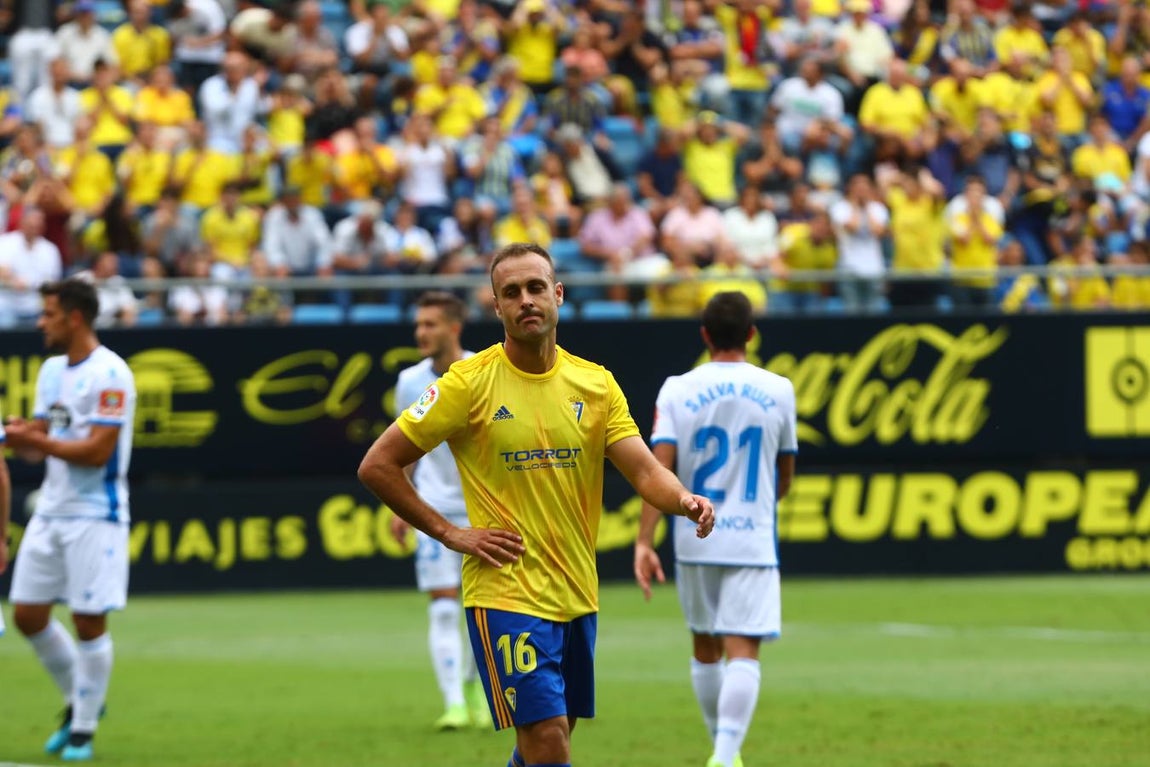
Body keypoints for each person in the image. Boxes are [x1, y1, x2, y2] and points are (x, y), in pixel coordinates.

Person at [357, 242, 716, 767]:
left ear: (558, 295)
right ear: (496, 307)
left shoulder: (595, 384)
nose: (525, 300)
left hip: (575, 590)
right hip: (505, 591)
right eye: (511, 292)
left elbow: (643, 470)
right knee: (548, 739)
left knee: (547, 740)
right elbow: (377, 465)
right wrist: (452, 533)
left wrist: (683, 499)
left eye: (535, 287)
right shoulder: (465, 383)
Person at [633, 291, 797, 767]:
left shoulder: (675, 388)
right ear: (752, 333)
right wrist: (762, 505)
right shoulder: (779, 388)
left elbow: (658, 471)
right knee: (743, 648)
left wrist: (645, 541)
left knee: (705, 645)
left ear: (704, 335)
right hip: (751, 537)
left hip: (692, 536)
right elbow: (784, 473)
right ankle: (725, 757)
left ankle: (726, 753)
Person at [3, 278, 138, 763]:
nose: (41, 322)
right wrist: (20, 431)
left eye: (49, 314)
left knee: (87, 620)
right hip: (51, 508)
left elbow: (97, 452)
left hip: (95, 514)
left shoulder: (112, 375)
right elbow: (49, 427)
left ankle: (82, 730)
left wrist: (33, 442)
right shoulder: (51, 369)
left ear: (74, 317)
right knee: (27, 614)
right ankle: (81, 699)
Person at [387, 291, 490, 731]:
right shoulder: (410, 382)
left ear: (454, 327)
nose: (421, 332)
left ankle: (475, 690)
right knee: (444, 608)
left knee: (480, 610)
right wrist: (400, 503)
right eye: (419, 324)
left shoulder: (483, 372)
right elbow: (404, 446)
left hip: (482, 510)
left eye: (430, 324)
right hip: (432, 509)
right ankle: (454, 704)